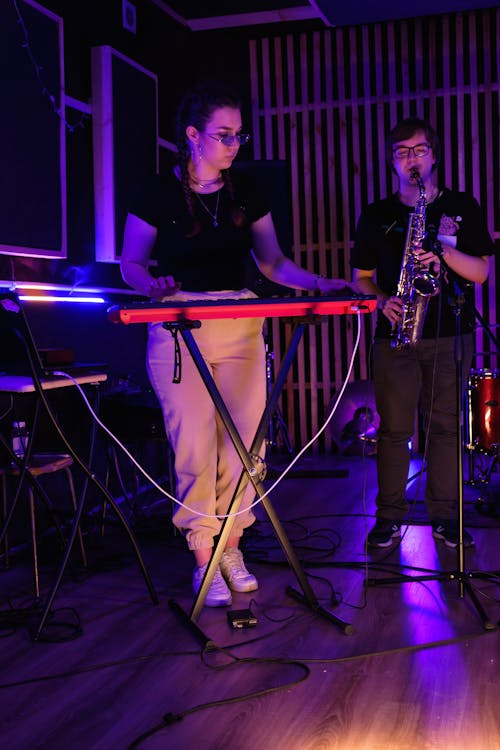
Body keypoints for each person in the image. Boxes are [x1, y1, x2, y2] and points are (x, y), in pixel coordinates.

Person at [120, 81, 352, 605]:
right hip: (181, 328)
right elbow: (130, 263)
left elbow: (274, 263)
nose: (233, 145)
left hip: (244, 322)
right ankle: (204, 555)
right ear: (193, 136)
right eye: (223, 135)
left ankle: (232, 545)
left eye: (239, 136)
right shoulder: (157, 192)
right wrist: (148, 285)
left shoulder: (247, 191)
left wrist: (320, 285)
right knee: (194, 445)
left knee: (247, 444)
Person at [351, 116, 495, 549]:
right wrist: (380, 300)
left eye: (418, 150)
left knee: (446, 429)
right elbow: (361, 277)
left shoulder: (462, 207)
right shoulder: (377, 215)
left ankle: (447, 518)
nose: (410, 159)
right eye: (401, 152)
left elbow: (482, 273)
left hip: (450, 331)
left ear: (434, 156)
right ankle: (389, 517)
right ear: (392, 162)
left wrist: (442, 257)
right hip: (396, 331)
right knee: (394, 431)